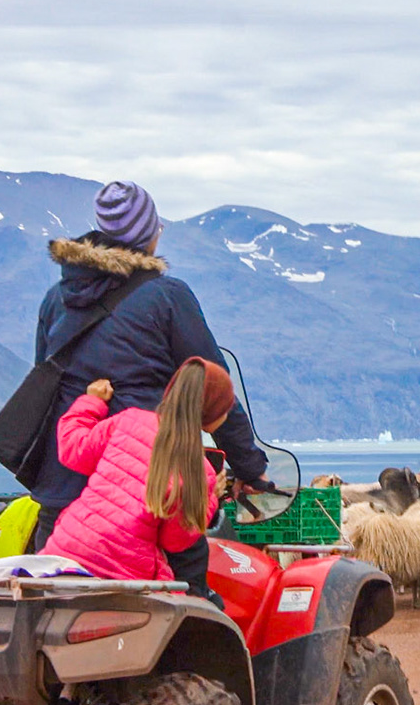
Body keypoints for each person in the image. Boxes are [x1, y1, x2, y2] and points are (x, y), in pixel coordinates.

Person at [30, 181, 267, 572]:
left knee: (53, 616)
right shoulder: (167, 297)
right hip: (147, 496)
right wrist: (250, 467)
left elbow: (46, 382)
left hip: (63, 496)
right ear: (148, 236)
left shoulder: (56, 299)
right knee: (187, 612)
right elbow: (207, 386)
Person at [45, 360, 231, 598]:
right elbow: (174, 540)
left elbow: (73, 449)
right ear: (212, 413)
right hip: (122, 575)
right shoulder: (199, 471)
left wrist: (92, 401)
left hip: (66, 551)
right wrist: (210, 500)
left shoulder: (128, 420)